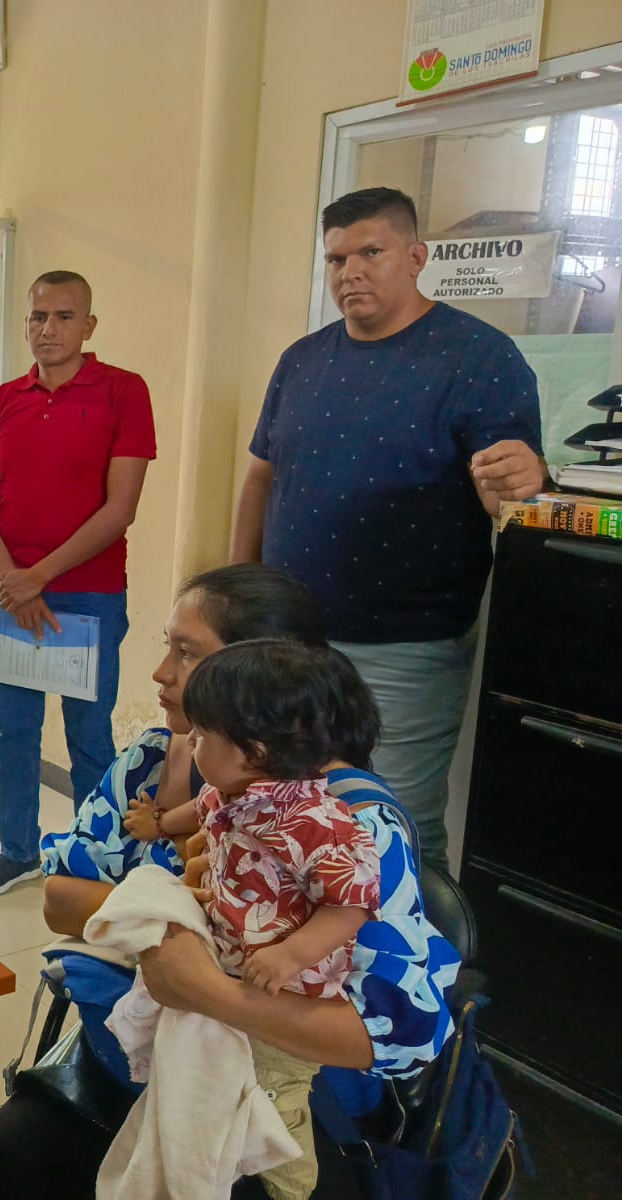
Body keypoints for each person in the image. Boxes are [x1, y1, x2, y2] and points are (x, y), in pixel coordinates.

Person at [0, 564, 460, 1197]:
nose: (160, 673)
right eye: (168, 646)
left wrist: (205, 985)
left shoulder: (344, 824)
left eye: (187, 653)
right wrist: (183, 920)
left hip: (269, 1081)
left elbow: (404, 1032)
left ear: (265, 681)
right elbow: (59, 898)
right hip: (141, 1045)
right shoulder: (155, 757)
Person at [232, 186, 544, 871]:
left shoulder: (478, 357)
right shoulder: (302, 361)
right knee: (284, 812)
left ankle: (417, 941)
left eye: (370, 252)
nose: (351, 272)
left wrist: (526, 479)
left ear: (416, 257)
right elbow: (260, 478)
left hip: (407, 648)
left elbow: (509, 493)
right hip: (289, 641)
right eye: (337, 259)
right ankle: (307, 943)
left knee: (392, 824)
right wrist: (241, 601)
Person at [140, 640, 382, 1200]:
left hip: (283, 992)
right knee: (219, 1086)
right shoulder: (233, 793)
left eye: (203, 736)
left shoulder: (315, 821)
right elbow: (200, 815)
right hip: (232, 972)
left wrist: (290, 955)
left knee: (273, 1103)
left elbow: (352, 902)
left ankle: (290, 1189)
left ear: (252, 751)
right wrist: (164, 829)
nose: (192, 742)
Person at [0, 269, 157, 897]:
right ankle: (19, 851)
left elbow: (120, 509)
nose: (49, 329)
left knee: (89, 736)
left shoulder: (124, 391)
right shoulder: (5, 399)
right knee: (14, 731)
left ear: (88, 325)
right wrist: (11, 581)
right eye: (38, 317)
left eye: (64, 316)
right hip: (10, 595)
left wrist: (36, 578)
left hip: (87, 597)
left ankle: (93, 858)